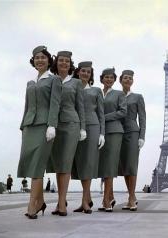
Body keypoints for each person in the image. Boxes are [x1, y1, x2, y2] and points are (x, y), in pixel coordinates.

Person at [17, 45, 62, 219]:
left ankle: (32, 205)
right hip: (29, 126)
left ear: (48, 60)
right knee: (30, 164)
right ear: (33, 61)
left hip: (45, 126)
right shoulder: (30, 82)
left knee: (37, 165)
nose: (40, 60)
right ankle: (41, 201)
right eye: (37, 57)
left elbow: (55, 103)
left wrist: (52, 125)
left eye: (43, 57)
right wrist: (22, 126)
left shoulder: (54, 80)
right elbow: (27, 106)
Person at [46, 51, 86, 216]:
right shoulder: (50, 80)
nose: (64, 63)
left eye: (67, 61)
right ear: (57, 63)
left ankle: (62, 203)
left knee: (66, 163)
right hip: (53, 125)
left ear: (70, 65)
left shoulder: (76, 83)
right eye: (61, 60)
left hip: (71, 125)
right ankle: (60, 202)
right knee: (57, 165)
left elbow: (80, 106)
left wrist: (83, 127)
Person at [72, 61, 105, 214]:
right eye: (83, 71)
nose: (85, 73)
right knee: (79, 163)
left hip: (92, 127)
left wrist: (102, 133)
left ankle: (85, 202)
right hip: (76, 126)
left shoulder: (96, 91)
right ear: (78, 72)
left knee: (88, 163)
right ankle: (87, 199)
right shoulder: (72, 87)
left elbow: (101, 113)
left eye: (88, 71)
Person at [98, 68, 127, 212]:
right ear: (101, 78)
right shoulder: (97, 93)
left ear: (114, 80)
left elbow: (123, 112)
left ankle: (105, 199)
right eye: (106, 77)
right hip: (99, 132)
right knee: (103, 165)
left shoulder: (119, 94)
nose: (109, 79)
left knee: (110, 164)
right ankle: (110, 196)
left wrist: (104, 117)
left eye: (111, 77)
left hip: (114, 131)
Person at [118, 70, 146, 211]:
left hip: (133, 133)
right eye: (125, 78)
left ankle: (131, 197)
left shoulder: (137, 97)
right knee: (124, 167)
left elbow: (142, 117)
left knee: (132, 165)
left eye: (130, 78)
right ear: (120, 80)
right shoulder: (116, 96)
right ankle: (132, 196)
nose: (128, 80)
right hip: (118, 134)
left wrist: (142, 136)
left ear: (132, 81)